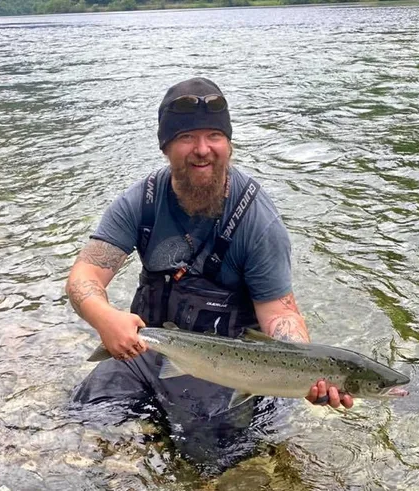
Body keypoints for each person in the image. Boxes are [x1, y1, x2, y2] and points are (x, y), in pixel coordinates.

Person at [67, 77, 353, 467]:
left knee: (214, 459)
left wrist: (305, 370)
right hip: (151, 350)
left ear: (229, 143)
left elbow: (281, 312)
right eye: (187, 137)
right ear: (166, 146)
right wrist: (105, 318)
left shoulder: (257, 221)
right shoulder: (141, 202)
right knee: (87, 420)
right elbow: (85, 274)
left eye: (214, 135)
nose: (202, 150)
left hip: (232, 371)